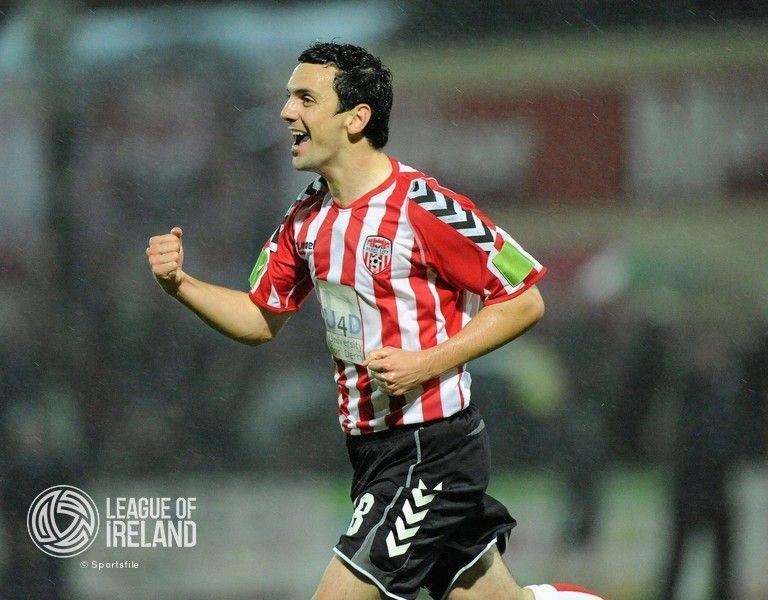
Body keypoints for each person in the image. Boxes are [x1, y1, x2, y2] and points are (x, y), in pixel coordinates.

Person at [147, 42, 602, 600]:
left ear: (356, 119)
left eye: (305, 99)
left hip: (428, 449)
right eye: (289, 97)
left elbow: (524, 300)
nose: (287, 112)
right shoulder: (307, 216)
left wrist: (425, 364)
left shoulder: (425, 207)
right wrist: (182, 286)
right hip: (370, 451)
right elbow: (260, 318)